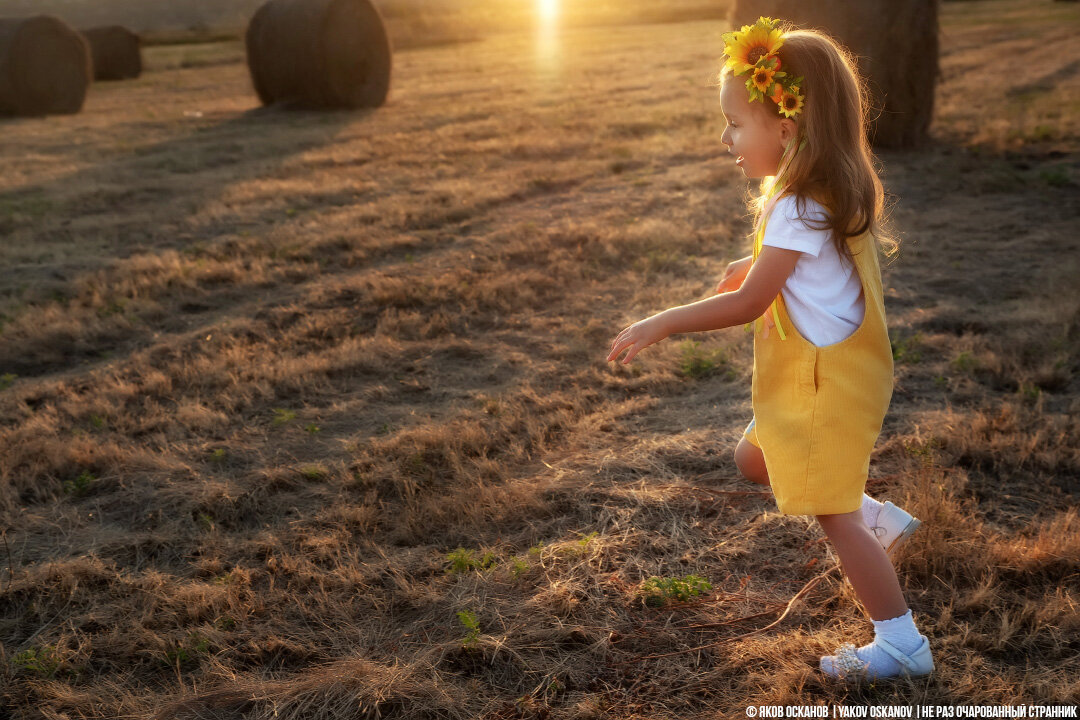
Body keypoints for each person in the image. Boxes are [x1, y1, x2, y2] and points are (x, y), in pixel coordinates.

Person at [605, 17, 933, 680]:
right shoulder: (824, 191)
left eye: (734, 123)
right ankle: (881, 518)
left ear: (784, 130)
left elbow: (752, 303)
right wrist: (751, 261)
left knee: (830, 512)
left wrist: (663, 321)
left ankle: (902, 643)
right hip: (842, 376)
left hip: (824, 385)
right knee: (754, 458)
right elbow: (801, 264)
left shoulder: (793, 205)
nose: (724, 138)